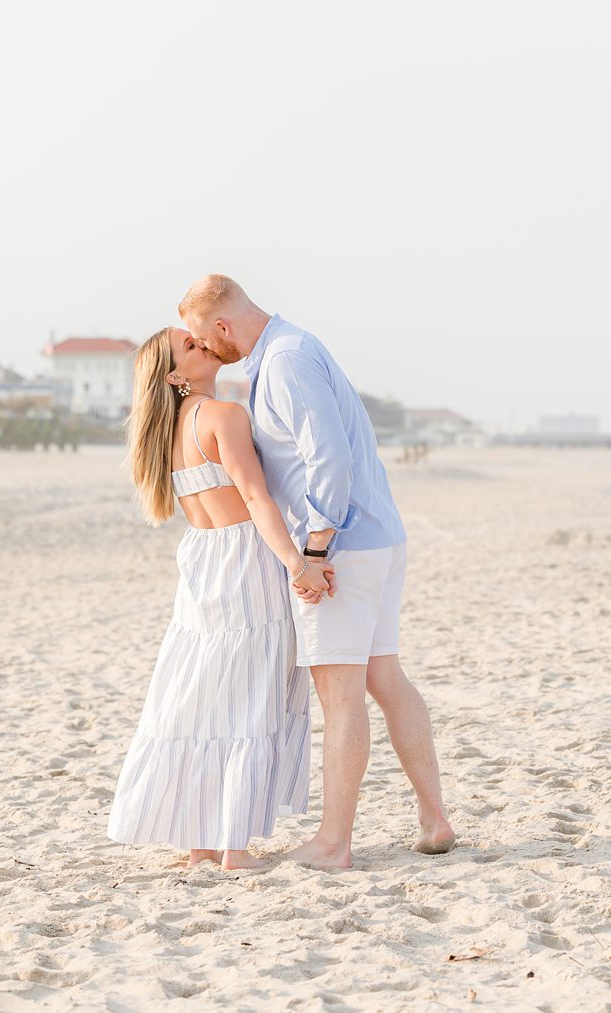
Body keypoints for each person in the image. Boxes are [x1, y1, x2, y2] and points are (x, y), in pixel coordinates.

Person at [179, 275, 457, 869]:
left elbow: (326, 454)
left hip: (344, 546)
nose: (207, 350)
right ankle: (434, 819)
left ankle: (334, 842)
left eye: (205, 339)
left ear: (223, 327)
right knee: (386, 677)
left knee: (341, 695)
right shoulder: (291, 350)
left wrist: (316, 548)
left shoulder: (283, 362)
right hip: (377, 535)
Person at [106, 326, 336, 871]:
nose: (204, 345)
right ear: (175, 376)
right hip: (246, 563)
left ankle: (201, 843)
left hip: (203, 563)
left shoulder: (168, 432)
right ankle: (234, 848)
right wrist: (299, 563)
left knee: (203, 696)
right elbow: (256, 498)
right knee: (249, 694)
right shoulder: (223, 417)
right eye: (191, 346)